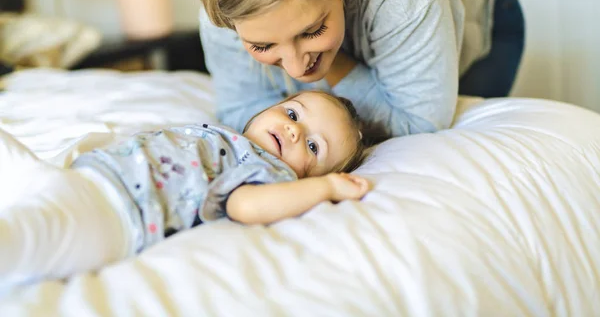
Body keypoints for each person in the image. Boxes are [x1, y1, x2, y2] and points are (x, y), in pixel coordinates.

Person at [0, 91, 376, 287]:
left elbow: (247, 207)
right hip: (81, 177)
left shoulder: (267, 172)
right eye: (293, 113)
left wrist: (326, 188)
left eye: (313, 147)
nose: (294, 130)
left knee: (21, 237)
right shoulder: (227, 136)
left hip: (114, 216)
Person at [194, 0, 525, 137]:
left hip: (484, 16)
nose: (297, 69)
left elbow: (419, 122)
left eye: (311, 30)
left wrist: (332, 68)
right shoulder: (228, 1)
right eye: (263, 46)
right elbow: (241, 109)